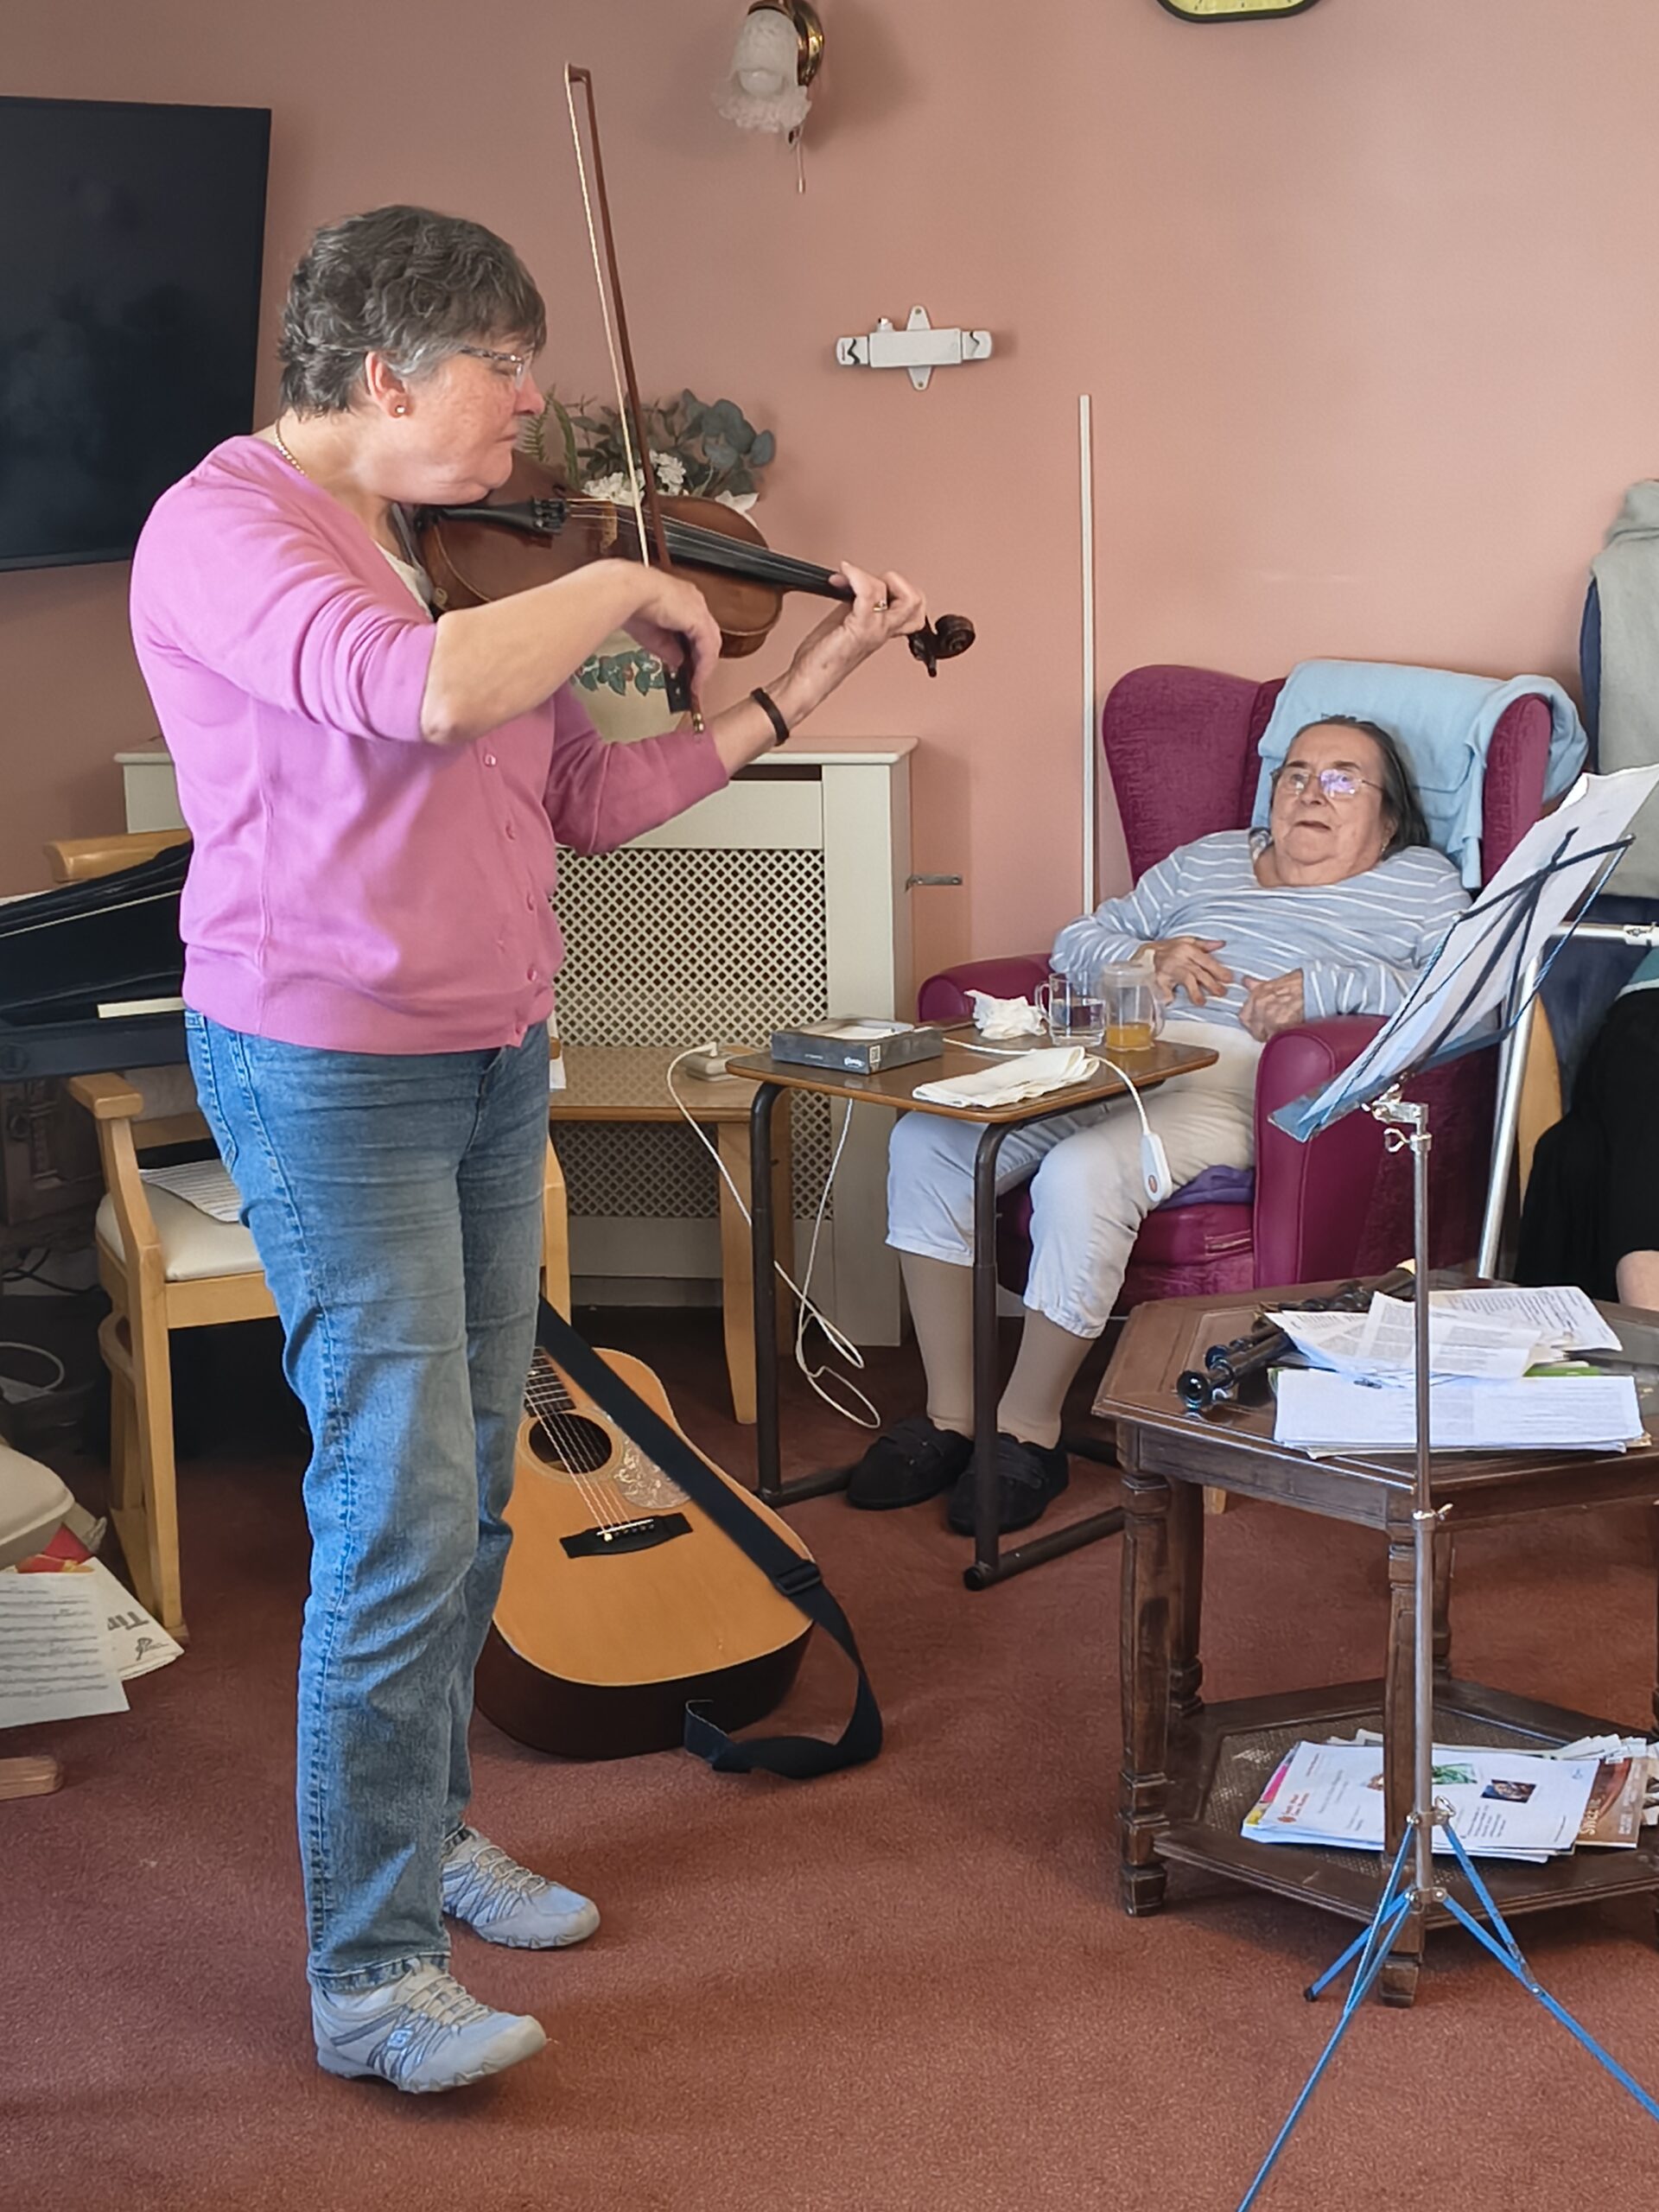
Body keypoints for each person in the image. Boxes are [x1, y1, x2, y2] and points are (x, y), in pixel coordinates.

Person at [127, 204, 927, 2094]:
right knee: (396, 1508)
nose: (535, 405)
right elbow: (416, 690)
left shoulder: (441, 553)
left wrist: (808, 675)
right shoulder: (226, 525)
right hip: (327, 1074)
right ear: (389, 372)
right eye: (507, 365)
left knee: (475, 1481)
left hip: (492, 1061)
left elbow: (592, 793)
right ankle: (370, 1968)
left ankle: (433, 1823)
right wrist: (620, 585)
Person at [847, 716, 1469, 1535]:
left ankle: (1028, 1432)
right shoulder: (1209, 859)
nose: (1312, 792)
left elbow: (1466, 992)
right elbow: (1077, 939)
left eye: (1344, 778)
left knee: (1081, 1172)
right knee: (927, 1140)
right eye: (1295, 773)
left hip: (1242, 1081)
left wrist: (1327, 988)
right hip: (1119, 1051)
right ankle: (952, 1417)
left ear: (1389, 815)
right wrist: (1145, 960)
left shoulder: (1419, 880)